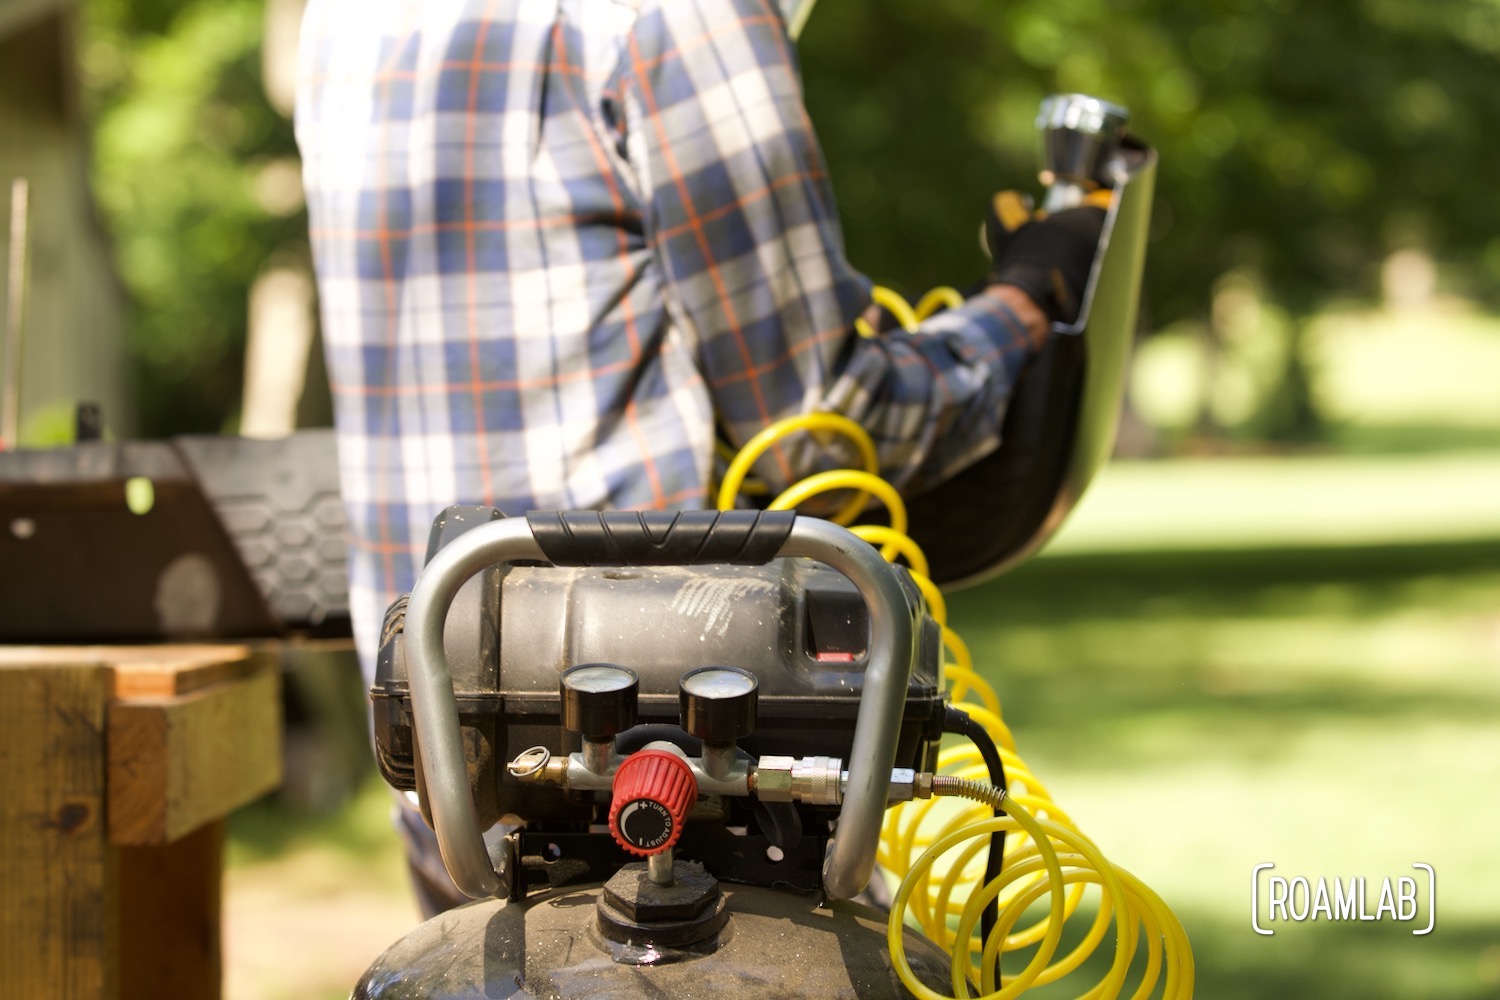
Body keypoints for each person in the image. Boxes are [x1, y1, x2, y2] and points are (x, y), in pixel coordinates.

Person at [295, 0, 1102, 915]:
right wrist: (1030, 298)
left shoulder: (351, 20)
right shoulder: (675, 12)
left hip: (437, 741)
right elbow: (818, 416)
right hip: (683, 772)